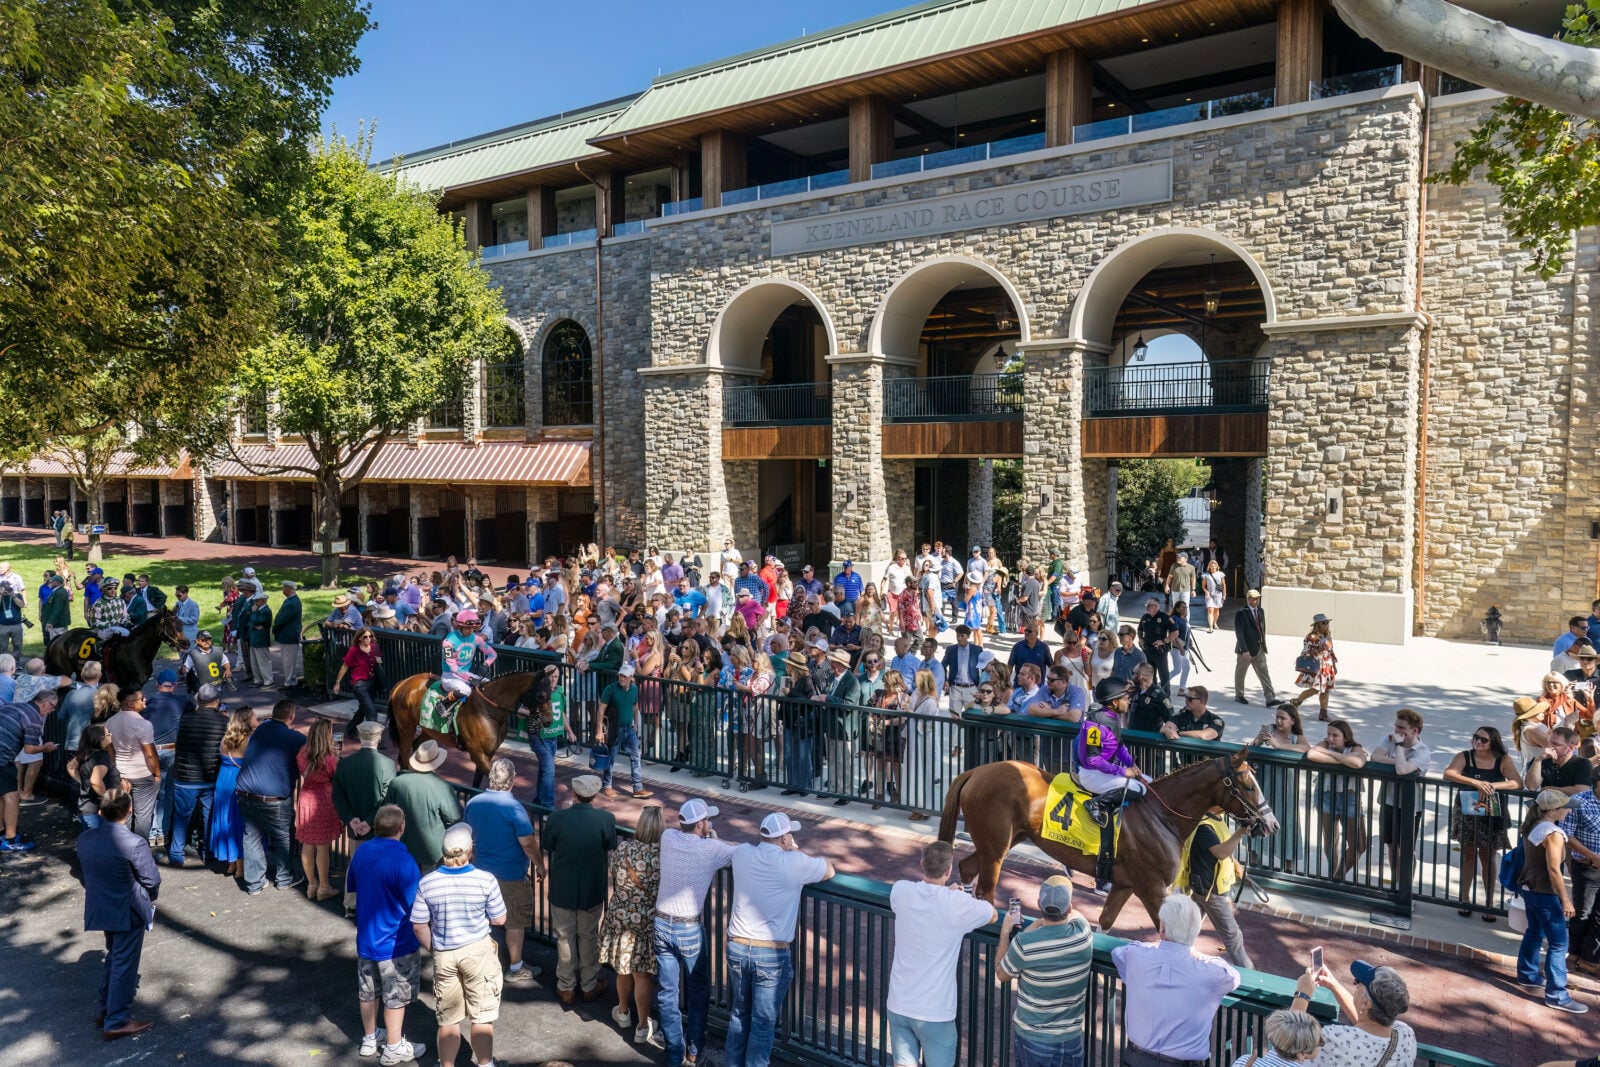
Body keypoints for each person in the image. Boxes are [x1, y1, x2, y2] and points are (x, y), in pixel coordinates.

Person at [725, 812, 834, 1067]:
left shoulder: (742, 853)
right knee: (763, 1022)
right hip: (770, 954)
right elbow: (829, 869)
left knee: (739, 1014)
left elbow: (732, 850)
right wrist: (796, 850)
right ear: (785, 838)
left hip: (738, 946)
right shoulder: (795, 862)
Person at [886, 841, 997, 1067]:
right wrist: (956, 895)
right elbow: (992, 915)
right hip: (935, 1012)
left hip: (899, 1002)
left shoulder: (901, 890)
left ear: (922, 864)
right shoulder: (956, 903)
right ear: (948, 871)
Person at [409, 823, 507, 1067]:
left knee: (448, 1019)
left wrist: (435, 948)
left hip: (445, 953)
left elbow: (419, 925)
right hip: (478, 953)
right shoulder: (486, 880)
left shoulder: (427, 883)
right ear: (469, 850)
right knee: (482, 1016)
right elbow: (499, 918)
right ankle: (485, 1064)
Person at [655, 798, 737, 1067]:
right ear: (701, 823)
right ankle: (693, 1049)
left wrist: (708, 837)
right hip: (688, 927)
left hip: (661, 923)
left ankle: (673, 1051)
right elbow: (735, 853)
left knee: (667, 992)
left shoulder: (668, 837)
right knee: (698, 989)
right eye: (707, 821)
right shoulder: (712, 848)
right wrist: (713, 837)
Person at [1113, 895, 1238, 1067]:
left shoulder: (1136, 956)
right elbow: (1232, 976)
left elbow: (1118, 953)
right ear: (1195, 932)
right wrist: (1198, 955)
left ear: (1162, 929)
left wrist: (1155, 948)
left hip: (1136, 1058)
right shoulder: (1212, 973)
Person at [347, 803, 427, 1064]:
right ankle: (393, 1046)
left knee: (368, 990)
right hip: (396, 941)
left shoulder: (363, 852)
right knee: (396, 995)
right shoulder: (404, 861)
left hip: (367, 938)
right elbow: (416, 904)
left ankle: (370, 1038)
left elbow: (354, 885)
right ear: (401, 827)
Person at [78, 789, 161, 1040]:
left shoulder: (84, 839)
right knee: (124, 964)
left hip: (101, 906)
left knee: (114, 958)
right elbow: (152, 879)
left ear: (101, 812)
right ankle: (116, 1019)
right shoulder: (134, 843)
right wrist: (148, 897)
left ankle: (105, 1010)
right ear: (129, 811)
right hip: (127, 910)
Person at [996, 874, 1095, 1067]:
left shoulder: (1023, 944)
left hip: (1033, 1040)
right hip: (1070, 1041)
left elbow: (1002, 973)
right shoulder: (1082, 934)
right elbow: (1076, 916)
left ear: (1039, 905)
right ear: (1069, 908)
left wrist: (1005, 932)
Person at [462, 757, 543, 984]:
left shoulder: (473, 803)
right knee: (514, 921)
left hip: (479, 871)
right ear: (512, 780)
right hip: (509, 874)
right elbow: (528, 843)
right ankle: (515, 967)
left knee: (482, 919)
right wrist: (540, 864)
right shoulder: (514, 808)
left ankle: (481, 963)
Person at [1515, 789, 1590, 1013]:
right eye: (1566, 807)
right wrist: (1566, 900)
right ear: (1554, 810)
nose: (1569, 811)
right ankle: (1557, 994)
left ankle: (1527, 974)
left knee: (1534, 931)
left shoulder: (1533, 826)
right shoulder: (1554, 834)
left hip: (1529, 888)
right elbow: (1554, 870)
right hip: (1544, 894)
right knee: (1559, 944)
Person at [601, 803, 665, 1046]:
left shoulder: (625, 847)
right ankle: (643, 1024)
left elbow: (613, 871)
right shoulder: (661, 857)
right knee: (643, 975)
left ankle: (623, 1011)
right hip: (646, 922)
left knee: (623, 967)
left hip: (620, 916)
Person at [1442, 724, 1521, 919]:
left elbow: (1517, 782)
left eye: (1483, 739)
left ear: (1493, 742)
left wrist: (1493, 785)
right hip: (1467, 811)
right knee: (1468, 853)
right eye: (1476, 737)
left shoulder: (1503, 760)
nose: (1478, 741)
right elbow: (1449, 773)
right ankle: (1465, 898)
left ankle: (1488, 902)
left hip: (1493, 813)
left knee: (1488, 856)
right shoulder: (1465, 756)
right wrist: (1476, 783)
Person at [1079, 677, 1149, 894]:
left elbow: (1119, 748)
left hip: (1103, 772)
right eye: (1125, 698)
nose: (1128, 701)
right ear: (1114, 702)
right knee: (1138, 789)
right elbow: (1092, 760)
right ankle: (1097, 805)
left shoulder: (1112, 719)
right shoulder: (1094, 723)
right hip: (1091, 774)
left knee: (1149, 782)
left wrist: (1133, 766)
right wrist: (1122, 771)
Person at [235, 698, 307, 894]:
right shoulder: (295, 738)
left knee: (251, 837)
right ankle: (284, 878)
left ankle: (254, 882)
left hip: (245, 793)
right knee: (283, 836)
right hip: (274, 798)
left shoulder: (260, 730)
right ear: (291, 717)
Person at [333, 719, 398, 913]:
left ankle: (351, 904)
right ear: (378, 738)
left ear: (361, 737)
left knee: (356, 864)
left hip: (354, 825)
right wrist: (370, 822)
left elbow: (337, 794)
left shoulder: (345, 764)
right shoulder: (387, 764)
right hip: (378, 825)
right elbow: (387, 798)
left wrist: (351, 819)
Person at [1181, 804, 1254, 968]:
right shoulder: (1204, 827)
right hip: (1210, 891)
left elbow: (1221, 847)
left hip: (1205, 886)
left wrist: (1235, 864)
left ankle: (1178, 954)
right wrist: (1241, 831)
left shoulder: (1216, 820)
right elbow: (1221, 852)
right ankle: (1250, 974)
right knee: (1232, 935)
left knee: (1189, 927)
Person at [1307, 960, 1418, 1064]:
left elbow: (1292, 1040)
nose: (1357, 985)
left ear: (1366, 1004)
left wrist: (1303, 994)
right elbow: (1366, 1029)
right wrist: (1334, 986)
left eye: (1358, 982)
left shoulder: (1334, 1038)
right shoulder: (1406, 1035)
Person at [167, 683, 226, 867]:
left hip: (184, 777)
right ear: (216, 701)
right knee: (210, 815)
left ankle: (176, 853)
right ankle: (208, 852)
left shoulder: (185, 719)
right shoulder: (224, 722)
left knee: (181, 816)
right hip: (210, 776)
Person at [1370, 708, 1432, 881]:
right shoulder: (1390, 738)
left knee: (1404, 848)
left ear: (1415, 730)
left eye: (1402, 728)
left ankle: (1406, 886)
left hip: (1409, 805)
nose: (1397, 731)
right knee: (1390, 845)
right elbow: (1375, 757)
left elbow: (1402, 770)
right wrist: (1398, 761)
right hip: (1388, 800)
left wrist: (1398, 750)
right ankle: (1395, 882)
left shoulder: (1423, 752)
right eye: (1396, 726)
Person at [383, 739, 462, 873]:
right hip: (431, 855)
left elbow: (386, 812)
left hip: (402, 847)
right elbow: (454, 818)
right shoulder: (442, 787)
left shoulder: (397, 782)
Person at [1307, 719, 1369, 881]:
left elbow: (1357, 762)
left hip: (1349, 796)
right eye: (1328, 734)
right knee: (1330, 840)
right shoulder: (1326, 743)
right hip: (1325, 793)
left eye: (1335, 735)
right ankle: (1333, 875)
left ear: (1346, 737)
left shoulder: (1355, 748)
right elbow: (1312, 754)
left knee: (1359, 845)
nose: (1330, 738)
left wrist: (1328, 754)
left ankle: (1337, 876)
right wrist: (1342, 759)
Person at [297, 717, 343, 901]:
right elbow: (335, 776)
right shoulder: (329, 757)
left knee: (308, 843)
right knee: (322, 846)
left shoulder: (301, 753)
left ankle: (311, 884)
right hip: (323, 799)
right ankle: (324, 886)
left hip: (306, 797)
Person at [105, 687, 159, 841]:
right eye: (141, 699)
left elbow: (110, 750)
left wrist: (118, 770)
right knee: (143, 815)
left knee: (124, 813)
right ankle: (140, 849)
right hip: (142, 774)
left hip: (122, 773)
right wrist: (157, 774)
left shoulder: (110, 722)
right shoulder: (143, 724)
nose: (145, 700)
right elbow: (150, 754)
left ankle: (124, 847)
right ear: (130, 704)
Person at [210, 707, 255, 879]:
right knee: (238, 823)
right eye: (254, 717)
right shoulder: (249, 741)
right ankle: (240, 866)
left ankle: (230, 862)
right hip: (238, 781)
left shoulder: (225, 739)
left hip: (223, 781)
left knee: (225, 820)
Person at [596, 662, 651, 800]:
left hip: (629, 728)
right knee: (611, 757)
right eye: (620, 675)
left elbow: (635, 705)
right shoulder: (611, 689)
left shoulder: (634, 689)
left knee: (636, 756)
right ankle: (607, 785)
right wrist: (599, 730)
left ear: (631, 677)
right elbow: (601, 709)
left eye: (624, 676)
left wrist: (636, 723)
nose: (621, 678)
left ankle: (637, 787)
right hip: (615, 729)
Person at [1286, 613, 1338, 721]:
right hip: (1317, 666)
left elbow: (1331, 652)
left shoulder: (1328, 637)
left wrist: (1334, 665)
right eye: (1324, 623)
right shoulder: (1311, 637)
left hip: (1327, 666)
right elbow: (1305, 652)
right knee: (1316, 689)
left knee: (1326, 690)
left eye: (1327, 623)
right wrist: (1317, 650)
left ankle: (1323, 714)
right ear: (1318, 625)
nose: (1327, 625)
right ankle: (1296, 701)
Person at [333, 628, 384, 732]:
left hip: (371, 683)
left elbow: (378, 662)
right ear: (360, 638)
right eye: (365, 637)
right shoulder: (354, 650)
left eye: (370, 636)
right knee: (371, 712)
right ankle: (374, 738)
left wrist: (379, 663)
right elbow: (345, 666)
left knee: (363, 709)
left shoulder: (375, 648)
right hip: (359, 685)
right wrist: (337, 683)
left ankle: (351, 729)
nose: (368, 639)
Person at [1233, 589, 1277, 706]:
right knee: (1241, 673)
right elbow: (1239, 633)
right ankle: (1239, 695)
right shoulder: (1242, 613)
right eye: (1253, 599)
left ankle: (1270, 698)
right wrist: (1244, 649)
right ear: (1248, 599)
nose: (1255, 601)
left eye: (1257, 598)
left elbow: (1262, 629)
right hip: (1246, 650)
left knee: (1264, 673)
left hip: (1259, 648)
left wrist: (1263, 644)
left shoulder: (1260, 611)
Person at [72, 724, 120, 830]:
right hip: (97, 811)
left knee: (92, 843)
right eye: (108, 734)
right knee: (102, 843)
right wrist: (109, 799)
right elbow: (95, 781)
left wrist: (84, 783)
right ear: (100, 738)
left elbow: (70, 767)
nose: (110, 735)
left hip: (86, 809)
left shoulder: (85, 755)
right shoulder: (102, 757)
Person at [273, 580, 304, 688]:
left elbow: (282, 619)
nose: (283, 589)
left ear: (289, 589)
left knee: (288, 660)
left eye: (284, 588)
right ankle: (291, 679)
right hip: (288, 634)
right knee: (288, 659)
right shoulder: (291, 600)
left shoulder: (291, 603)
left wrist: (275, 628)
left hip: (288, 635)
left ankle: (289, 682)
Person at [1201, 561, 1226, 633]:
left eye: (1214, 566)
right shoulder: (1206, 575)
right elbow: (1203, 585)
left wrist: (1224, 594)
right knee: (1210, 610)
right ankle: (1211, 627)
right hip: (1210, 595)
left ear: (1217, 566)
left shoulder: (1220, 574)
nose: (1213, 567)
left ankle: (1215, 623)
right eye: (1211, 566)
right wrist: (1206, 592)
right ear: (1209, 567)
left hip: (1218, 594)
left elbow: (1224, 585)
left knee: (1216, 610)